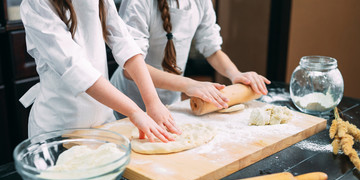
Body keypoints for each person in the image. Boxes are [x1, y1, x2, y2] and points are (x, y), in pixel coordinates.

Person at [19, 0, 181, 142]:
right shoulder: (36, 4)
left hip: (102, 122)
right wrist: (134, 111)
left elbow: (124, 43)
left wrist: (152, 102)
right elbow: (75, 68)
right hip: (60, 127)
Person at [110, 0, 271, 120]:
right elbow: (131, 69)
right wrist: (189, 85)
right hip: (126, 101)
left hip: (169, 102)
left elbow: (212, 49)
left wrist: (235, 74)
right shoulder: (139, 3)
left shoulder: (200, 2)